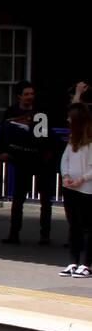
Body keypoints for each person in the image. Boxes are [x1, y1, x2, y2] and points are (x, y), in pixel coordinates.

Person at [0, 81, 57, 245]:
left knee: (45, 200)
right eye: (27, 94)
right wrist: (2, 151)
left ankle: (45, 234)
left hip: (40, 160)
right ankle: (14, 233)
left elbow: (44, 137)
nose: (30, 97)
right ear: (19, 96)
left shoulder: (40, 113)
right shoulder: (11, 112)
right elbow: (3, 133)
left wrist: (47, 153)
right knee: (18, 199)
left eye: (32, 94)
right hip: (20, 159)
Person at [59, 102, 92, 277]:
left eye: (70, 116)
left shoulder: (90, 141)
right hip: (70, 187)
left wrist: (82, 179)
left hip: (87, 189)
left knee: (87, 226)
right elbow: (65, 159)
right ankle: (73, 261)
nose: (67, 119)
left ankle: (87, 263)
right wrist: (66, 176)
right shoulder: (72, 139)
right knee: (74, 225)